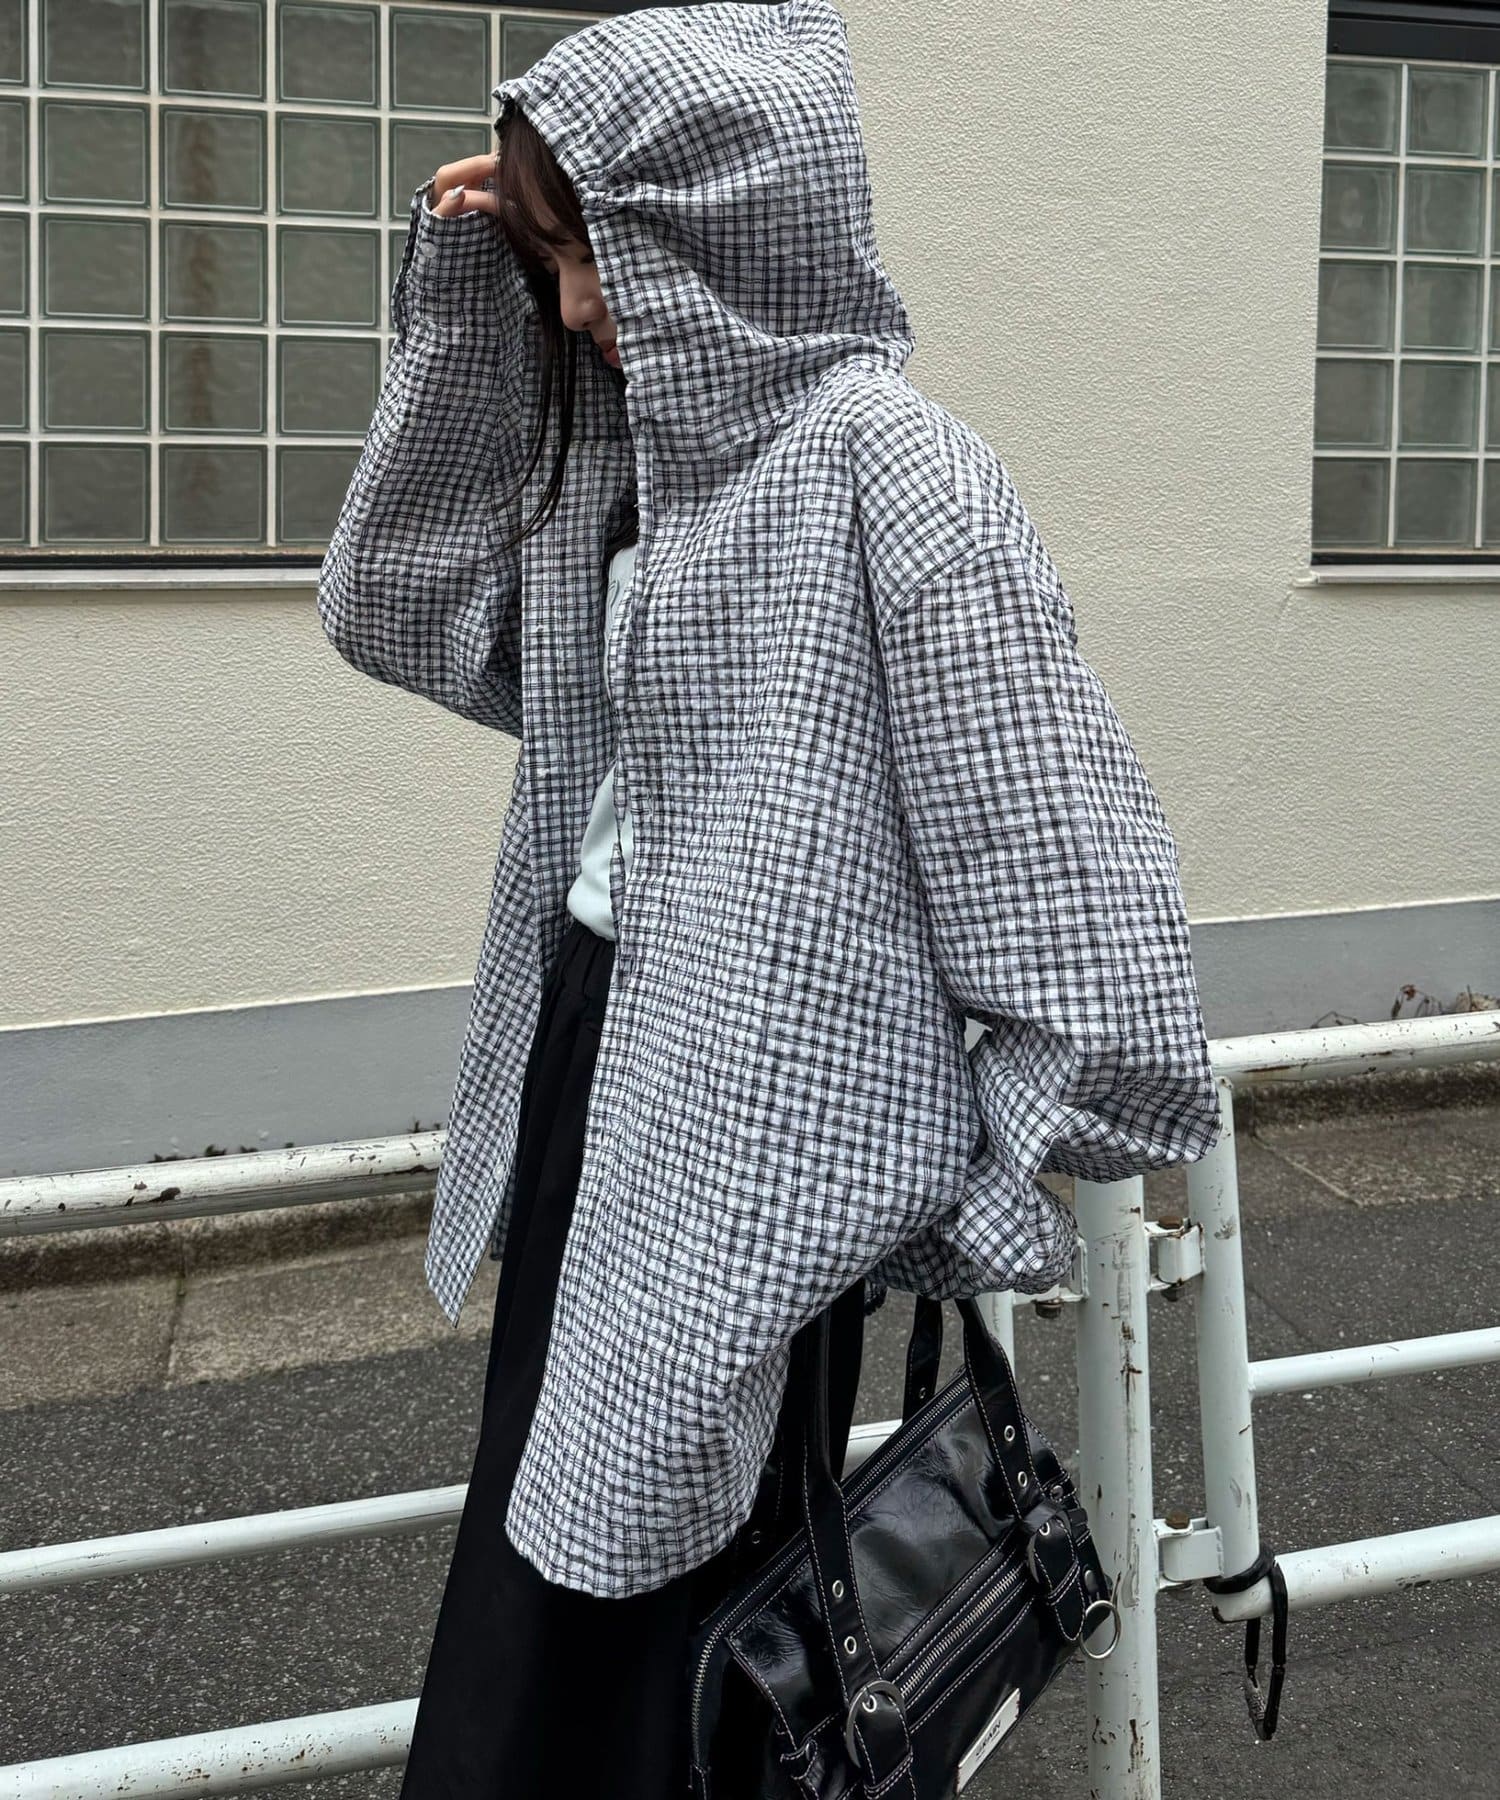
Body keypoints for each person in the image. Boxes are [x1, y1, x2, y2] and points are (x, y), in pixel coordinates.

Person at [316, 2, 1224, 1792]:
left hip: (757, 1158)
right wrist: (477, 302)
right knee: (556, 1612)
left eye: (594, 253)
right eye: (558, 261)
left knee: (668, 1656)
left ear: (719, 228)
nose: (581, 305)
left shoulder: (896, 471)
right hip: (600, 1069)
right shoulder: (649, 461)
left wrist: (910, 1197)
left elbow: (1100, 959)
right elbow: (400, 611)